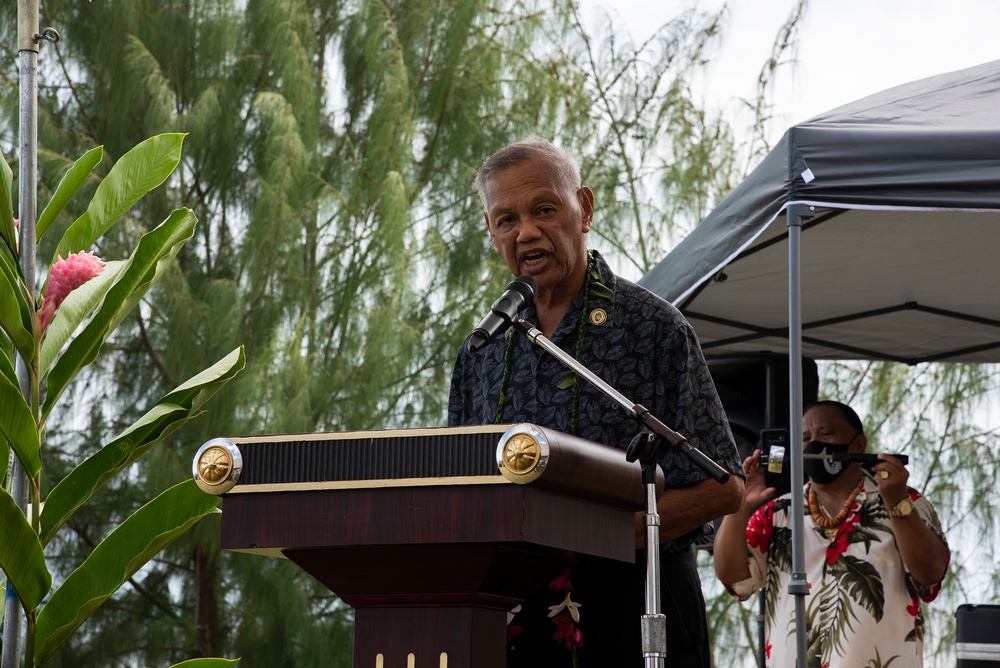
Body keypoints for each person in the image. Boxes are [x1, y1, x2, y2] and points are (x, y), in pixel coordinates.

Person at [448, 138, 745, 667]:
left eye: (544, 210)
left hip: (635, 604)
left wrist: (594, 537)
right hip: (515, 616)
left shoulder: (653, 327)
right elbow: (460, 492)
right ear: (492, 234)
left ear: (583, 208)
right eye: (507, 220)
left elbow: (724, 487)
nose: (528, 232)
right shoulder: (482, 350)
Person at [712, 400, 951, 668]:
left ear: (859, 445)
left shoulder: (908, 502)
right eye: (805, 438)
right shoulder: (777, 513)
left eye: (826, 434)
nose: (814, 444)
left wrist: (897, 502)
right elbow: (733, 578)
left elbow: (930, 577)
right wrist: (740, 505)